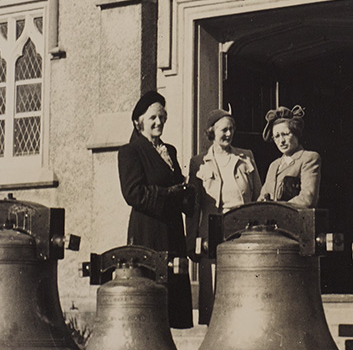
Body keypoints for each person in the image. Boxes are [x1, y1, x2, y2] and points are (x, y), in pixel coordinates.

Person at [117, 90, 195, 328]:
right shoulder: (130, 151)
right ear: (138, 121)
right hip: (148, 231)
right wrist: (169, 194)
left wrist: (187, 193)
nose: (158, 122)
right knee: (151, 291)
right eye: (153, 117)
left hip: (172, 230)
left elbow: (178, 185)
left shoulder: (169, 150)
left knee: (173, 291)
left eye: (162, 117)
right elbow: (133, 193)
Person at [187, 109, 262, 325]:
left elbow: (258, 196)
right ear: (212, 131)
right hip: (212, 232)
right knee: (212, 287)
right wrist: (192, 240)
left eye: (231, 129)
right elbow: (193, 206)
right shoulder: (198, 162)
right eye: (223, 130)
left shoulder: (246, 156)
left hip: (243, 230)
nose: (228, 134)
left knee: (243, 282)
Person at [258, 105, 321, 209]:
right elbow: (262, 197)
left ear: (296, 134)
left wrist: (276, 209)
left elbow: (307, 198)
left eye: (286, 134)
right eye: (277, 136)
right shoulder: (274, 165)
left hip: (295, 217)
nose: (281, 141)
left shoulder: (308, 158)